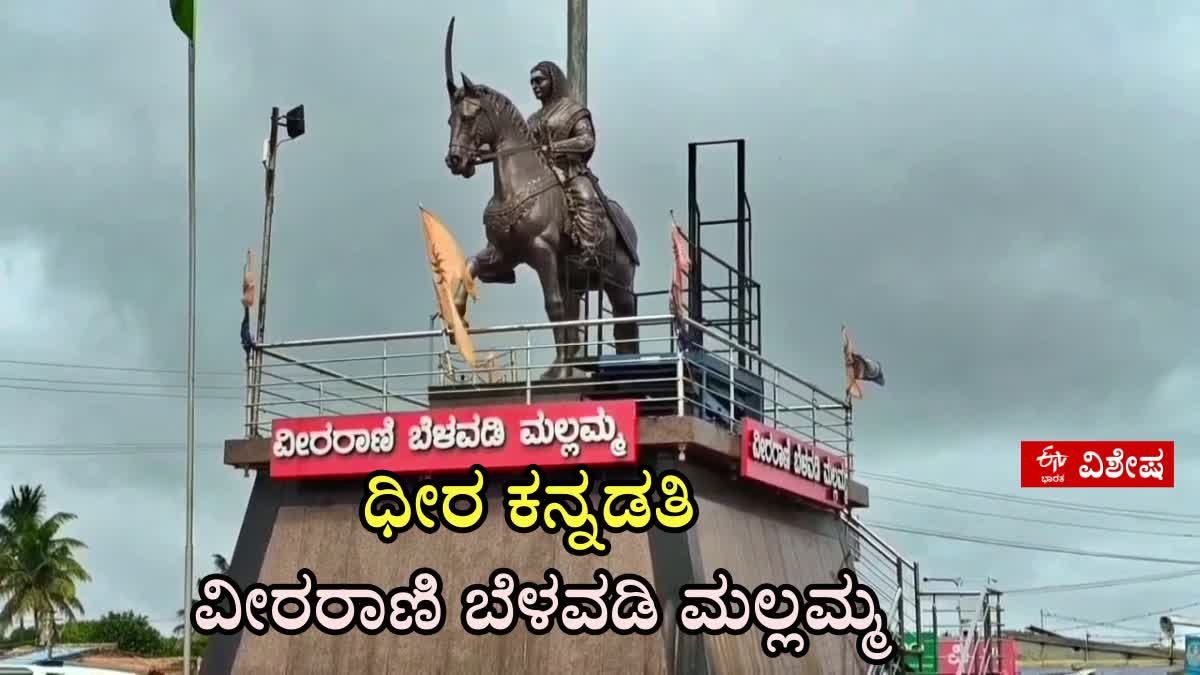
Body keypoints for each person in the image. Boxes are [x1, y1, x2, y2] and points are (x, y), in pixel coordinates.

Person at [527, 61, 607, 267]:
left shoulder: (572, 110)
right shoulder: (532, 120)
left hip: (569, 171)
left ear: (552, 80)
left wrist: (555, 147)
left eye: (539, 81)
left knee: (586, 197)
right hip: (541, 175)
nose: (535, 86)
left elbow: (586, 140)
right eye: (532, 83)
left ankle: (590, 249)